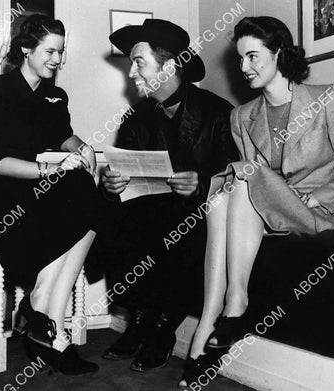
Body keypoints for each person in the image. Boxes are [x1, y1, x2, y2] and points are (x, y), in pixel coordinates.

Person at [179, 16, 334, 388]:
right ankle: (211, 318)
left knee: (244, 173)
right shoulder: (241, 117)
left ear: (280, 54)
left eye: (253, 57)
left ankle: (234, 304)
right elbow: (251, 189)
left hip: (316, 213)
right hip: (268, 214)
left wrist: (318, 195)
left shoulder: (326, 98)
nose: (243, 68)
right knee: (223, 195)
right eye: (240, 59)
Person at [94, 19, 238, 372]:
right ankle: (140, 317)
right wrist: (112, 185)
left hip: (197, 213)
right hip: (149, 211)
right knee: (111, 214)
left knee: (178, 223)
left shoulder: (218, 112)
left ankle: (163, 327)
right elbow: (123, 167)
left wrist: (201, 184)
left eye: (138, 62)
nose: (131, 73)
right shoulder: (137, 117)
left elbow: (236, 171)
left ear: (170, 66)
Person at [0, 14, 100, 375]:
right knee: (77, 194)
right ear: (26, 49)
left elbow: (63, 134)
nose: (58, 60)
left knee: (90, 195)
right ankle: (47, 321)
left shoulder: (56, 94)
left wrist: (83, 148)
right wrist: (52, 170)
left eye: (62, 51)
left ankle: (45, 318)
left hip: (39, 199)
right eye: (50, 51)